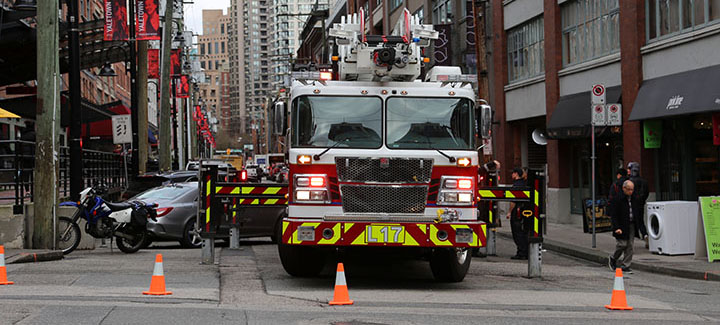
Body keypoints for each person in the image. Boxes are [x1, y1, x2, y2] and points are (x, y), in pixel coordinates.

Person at [608, 180, 643, 274]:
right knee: (622, 244)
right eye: (629, 190)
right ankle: (613, 258)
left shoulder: (635, 198)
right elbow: (614, 215)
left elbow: (637, 211)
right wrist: (616, 227)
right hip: (621, 224)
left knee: (630, 245)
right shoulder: (618, 199)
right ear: (624, 188)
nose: (630, 192)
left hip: (631, 224)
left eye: (632, 189)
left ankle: (626, 265)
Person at [507, 167, 528, 260]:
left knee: (517, 232)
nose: (512, 175)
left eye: (513, 173)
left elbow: (513, 201)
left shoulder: (516, 185)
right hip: (523, 210)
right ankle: (524, 251)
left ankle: (522, 252)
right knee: (522, 232)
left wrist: (509, 212)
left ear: (516, 174)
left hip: (517, 211)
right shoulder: (523, 184)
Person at [627, 162, 649, 247]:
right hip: (640, 204)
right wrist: (642, 200)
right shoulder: (644, 181)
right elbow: (646, 193)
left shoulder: (630, 181)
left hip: (632, 204)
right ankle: (645, 235)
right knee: (640, 221)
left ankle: (632, 239)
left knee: (631, 222)